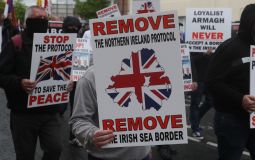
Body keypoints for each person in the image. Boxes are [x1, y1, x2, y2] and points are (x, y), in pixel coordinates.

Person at [205, 3, 255, 160]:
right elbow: (212, 82)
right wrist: (240, 99)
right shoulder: (229, 47)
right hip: (232, 119)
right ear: (250, 21)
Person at [0, 6, 63, 160]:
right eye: (37, 19)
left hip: (50, 111)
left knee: (55, 148)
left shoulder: (56, 44)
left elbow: (64, 70)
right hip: (23, 113)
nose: (42, 22)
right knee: (25, 155)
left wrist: (68, 83)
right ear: (28, 22)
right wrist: (19, 82)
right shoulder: (15, 43)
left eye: (45, 19)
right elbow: (1, 75)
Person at [69, 66, 151, 160]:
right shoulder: (91, 76)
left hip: (142, 155)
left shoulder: (146, 69)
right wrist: (91, 134)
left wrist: (149, 148)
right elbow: (78, 120)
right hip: (104, 157)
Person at [62, 16, 83, 146]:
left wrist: (76, 80)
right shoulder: (55, 41)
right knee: (58, 110)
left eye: (75, 28)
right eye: (70, 28)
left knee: (76, 109)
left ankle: (73, 135)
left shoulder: (81, 43)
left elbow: (81, 65)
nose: (73, 30)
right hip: (58, 80)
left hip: (75, 80)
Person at [189, 49, 214, 139]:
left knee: (211, 101)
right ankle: (195, 129)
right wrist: (203, 54)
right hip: (198, 79)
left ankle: (195, 119)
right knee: (195, 103)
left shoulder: (215, 43)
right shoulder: (195, 46)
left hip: (210, 78)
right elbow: (190, 59)